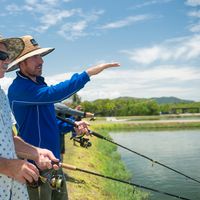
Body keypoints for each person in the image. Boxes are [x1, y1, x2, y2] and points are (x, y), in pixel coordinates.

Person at [7, 35, 120, 200]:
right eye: (34, 57)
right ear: (21, 63)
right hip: (35, 166)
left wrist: (72, 125)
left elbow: (49, 120)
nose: (41, 61)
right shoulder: (19, 89)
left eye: (41, 56)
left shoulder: (38, 85)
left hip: (53, 161)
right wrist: (87, 74)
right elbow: (54, 94)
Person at [0, 37, 59, 200]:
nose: (7, 61)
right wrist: (7, 165)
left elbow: (9, 140)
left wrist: (36, 153)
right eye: (1, 56)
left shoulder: (1, 96)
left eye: (8, 56)